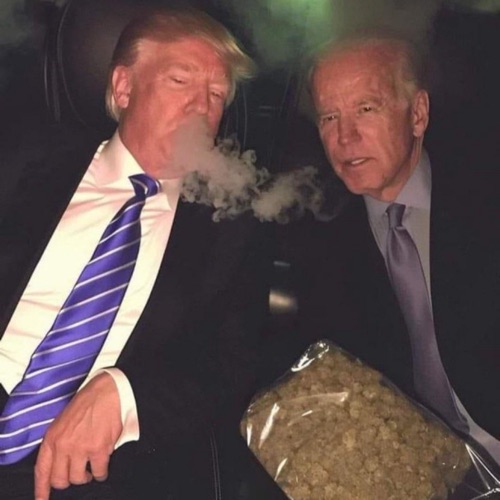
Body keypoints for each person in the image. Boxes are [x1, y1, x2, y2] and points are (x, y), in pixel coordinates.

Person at [0, 8, 272, 499]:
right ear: (124, 88)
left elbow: (232, 363)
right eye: (180, 81)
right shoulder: (24, 158)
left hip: (93, 469)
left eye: (216, 95)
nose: (201, 107)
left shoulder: (230, 226)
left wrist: (125, 393)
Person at [274, 32, 500, 470]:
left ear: (417, 114)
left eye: (366, 109)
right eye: (329, 117)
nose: (345, 137)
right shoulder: (320, 237)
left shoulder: (485, 193)